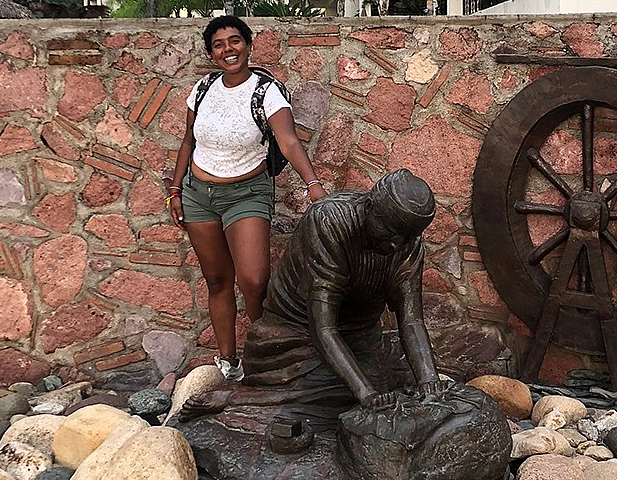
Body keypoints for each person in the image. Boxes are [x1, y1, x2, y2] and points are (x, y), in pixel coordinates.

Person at [179, 169, 446, 422]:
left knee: (398, 376)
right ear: (369, 208)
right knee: (341, 386)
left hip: (360, 335)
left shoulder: (407, 242)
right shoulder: (330, 221)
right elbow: (324, 328)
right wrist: (366, 393)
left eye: (406, 238)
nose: (396, 245)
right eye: (389, 232)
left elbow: (411, 320)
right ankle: (235, 398)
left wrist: (429, 382)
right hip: (295, 335)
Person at [168, 15, 327, 382]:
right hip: (198, 195)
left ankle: (264, 351)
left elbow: (288, 141)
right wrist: (176, 189)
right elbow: (189, 141)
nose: (228, 49)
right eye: (219, 44)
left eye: (235, 41)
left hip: (247, 194)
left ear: (249, 45)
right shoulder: (202, 89)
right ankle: (228, 362)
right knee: (217, 280)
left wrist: (313, 183)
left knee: (254, 281)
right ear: (210, 53)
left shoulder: (266, 91)